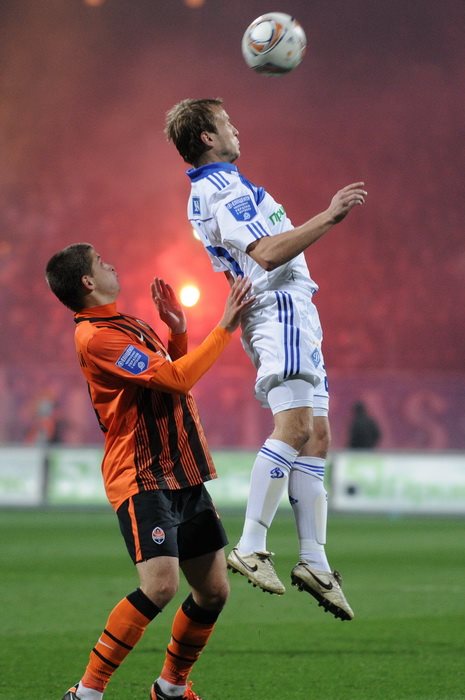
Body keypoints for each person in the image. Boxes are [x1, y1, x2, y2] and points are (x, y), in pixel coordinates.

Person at [165, 98, 367, 622]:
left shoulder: (220, 185)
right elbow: (268, 253)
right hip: (279, 308)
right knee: (295, 428)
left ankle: (314, 560)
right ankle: (251, 544)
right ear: (207, 137)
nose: (236, 128)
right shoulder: (222, 189)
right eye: (227, 123)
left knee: (316, 435)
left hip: (292, 308)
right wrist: (330, 215)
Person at [45, 243, 253, 700]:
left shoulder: (128, 324)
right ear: (87, 282)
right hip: (142, 474)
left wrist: (177, 332)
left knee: (214, 591)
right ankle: (87, 692)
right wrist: (224, 327)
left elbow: (166, 375)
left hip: (181, 469)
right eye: (102, 262)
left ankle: (170, 688)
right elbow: (178, 380)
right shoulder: (97, 338)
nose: (111, 264)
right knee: (160, 586)